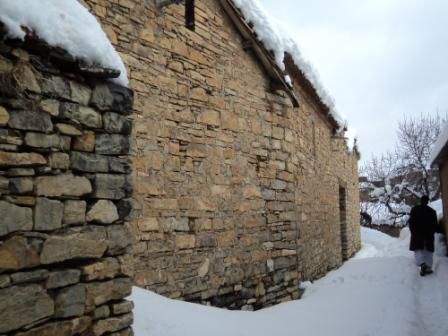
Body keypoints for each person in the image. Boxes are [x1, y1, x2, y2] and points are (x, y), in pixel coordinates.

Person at [409, 195, 438, 276]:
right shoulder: (432, 211)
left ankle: (422, 264)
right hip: (428, 235)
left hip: (417, 234)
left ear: (420, 201)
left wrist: (413, 232)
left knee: (418, 251)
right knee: (428, 252)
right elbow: (435, 225)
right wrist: (432, 231)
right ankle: (428, 267)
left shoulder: (414, 209)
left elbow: (411, 222)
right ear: (427, 202)